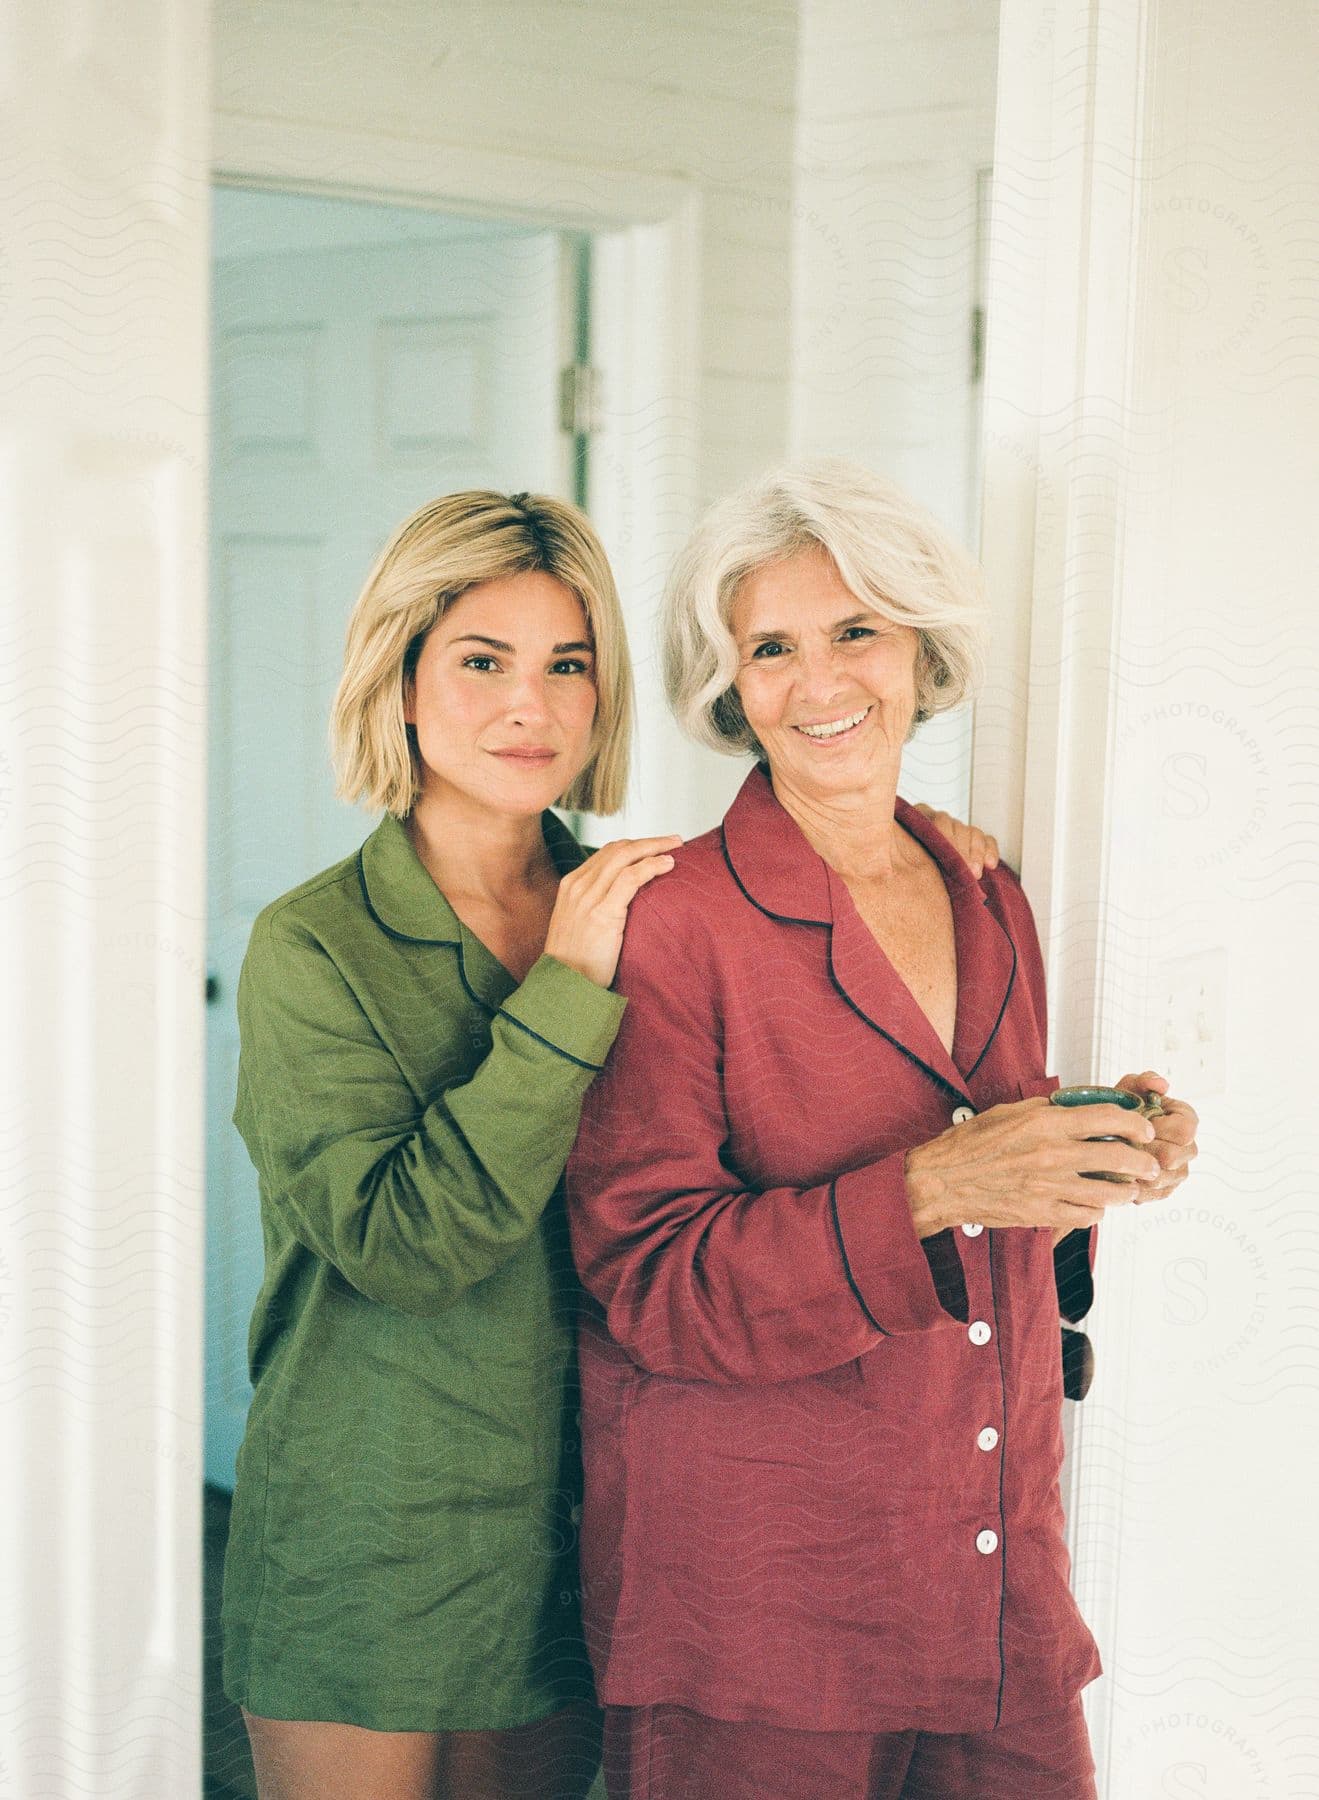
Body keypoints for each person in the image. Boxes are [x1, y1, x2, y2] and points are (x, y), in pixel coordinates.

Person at [220, 485, 998, 1800]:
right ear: (399, 681)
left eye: (566, 665)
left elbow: (807, 1089)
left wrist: (910, 844)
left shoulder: (655, 906)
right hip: (370, 1531)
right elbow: (404, 1246)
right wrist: (567, 992)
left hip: (585, 1532)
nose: (531, 705)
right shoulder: (313, 949)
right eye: (482, 662)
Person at [565, 459, 1200, 1800]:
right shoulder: (676, 921)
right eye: (772, 647)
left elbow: (999, 1221)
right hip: (758, 1612)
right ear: (729, 684)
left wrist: (1093, 1165)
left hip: (993, 1579)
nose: (822, 681)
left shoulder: (986, 888)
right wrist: (935, 1182)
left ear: (919, 645)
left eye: (855, 630)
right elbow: (649, 1282)